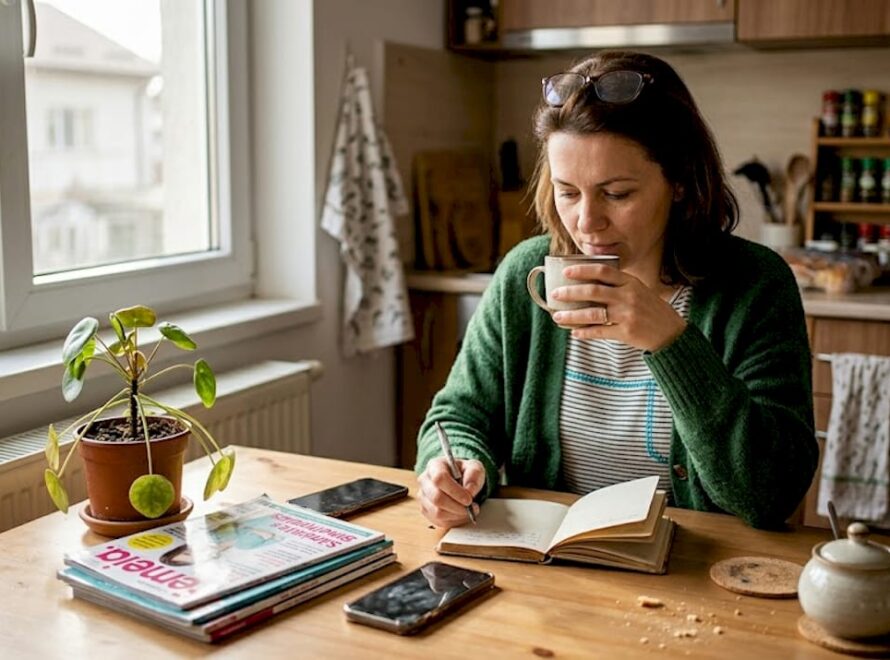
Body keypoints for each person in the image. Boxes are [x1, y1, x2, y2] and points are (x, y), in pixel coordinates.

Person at [415, 50, 816, 530]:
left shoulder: (755, 285)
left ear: (681, 181)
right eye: (568, 191)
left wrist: (671, 343)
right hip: (555, 570)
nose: (587, 222)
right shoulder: (528, 275)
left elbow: (772, 493)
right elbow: (458, 414)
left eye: (617, 193)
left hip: (701, 577)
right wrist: (453, 467)